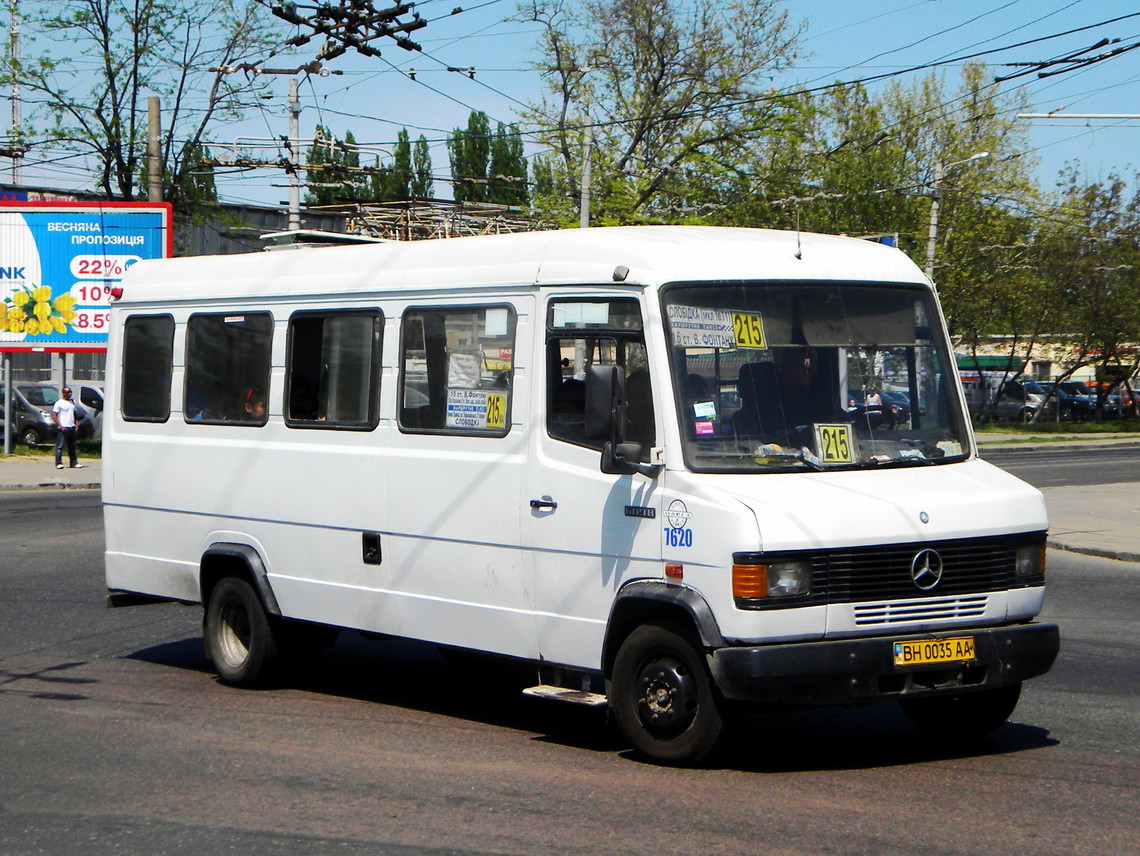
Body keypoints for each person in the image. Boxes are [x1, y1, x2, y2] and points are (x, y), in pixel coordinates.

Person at [52, 386, 84, 469]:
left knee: (72, 446)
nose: (70, 393)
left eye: (71, 392)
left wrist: (76, 424)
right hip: (63, 427)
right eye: (68, 392)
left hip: (71, 427)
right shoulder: (59, 403)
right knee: (60, 446)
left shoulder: (72, 402)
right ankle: (58, 463)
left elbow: (75, 414)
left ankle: (73, 462)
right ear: (64, 393)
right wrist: (60, 425)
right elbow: (54, 415)